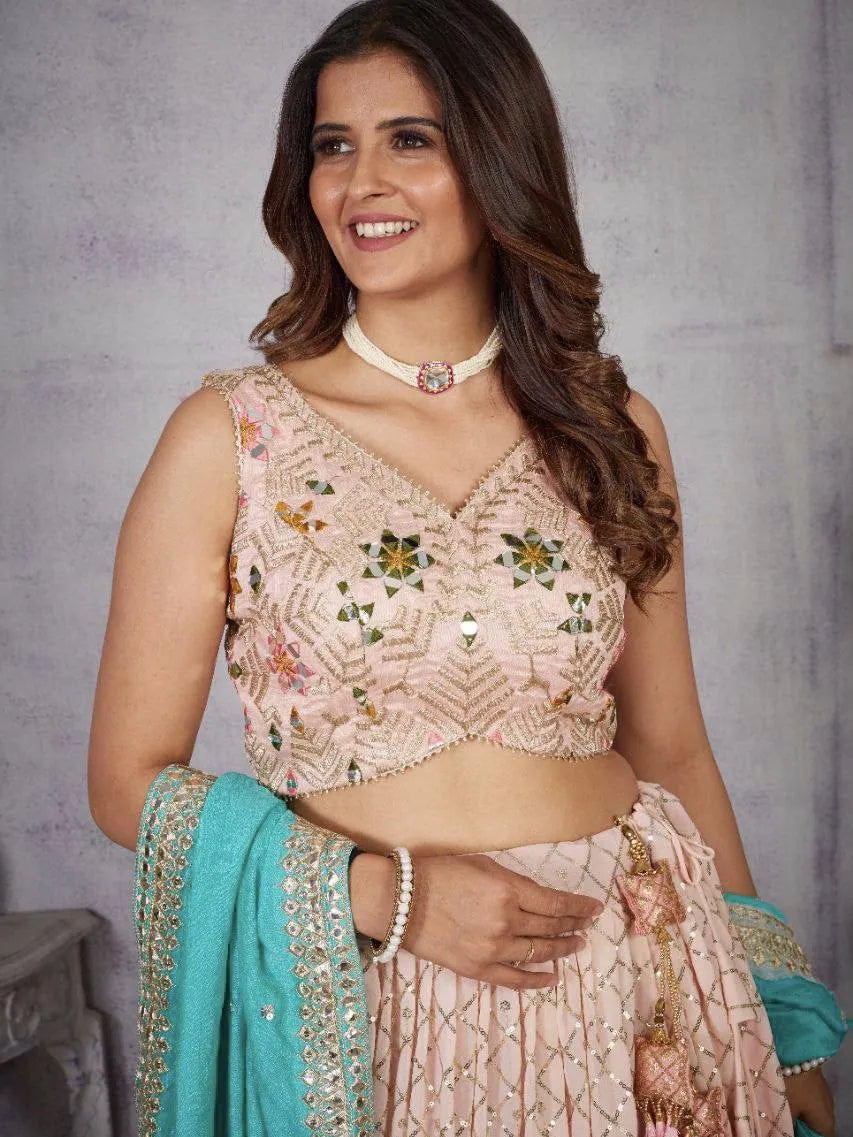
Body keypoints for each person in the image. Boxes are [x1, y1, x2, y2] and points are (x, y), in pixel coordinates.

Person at [87, 1, 847, 1134]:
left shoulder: (608, 428)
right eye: (331, 146)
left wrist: (780, 1037)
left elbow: (671, 743)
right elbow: (125, 780)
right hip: (371, 994)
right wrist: (385, 898)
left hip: (633, 979)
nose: (359, 183)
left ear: (497, 158)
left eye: (412, 138)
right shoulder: (232, 436)